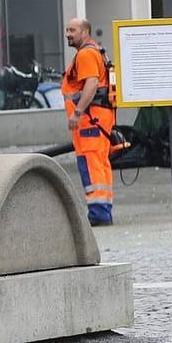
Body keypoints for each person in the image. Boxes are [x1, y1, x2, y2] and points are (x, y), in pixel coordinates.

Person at [62, 18, 115, 226]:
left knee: (91, 163)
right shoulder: (95, 51)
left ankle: (99, 212)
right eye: (67, 30)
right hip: (98, 117)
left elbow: (91, 84)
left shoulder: (85, 54)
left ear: (85, 33)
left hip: (90, 119)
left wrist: (77, 112)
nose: (68, 34)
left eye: (72, 30)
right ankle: (103, 209)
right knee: (100, 162)